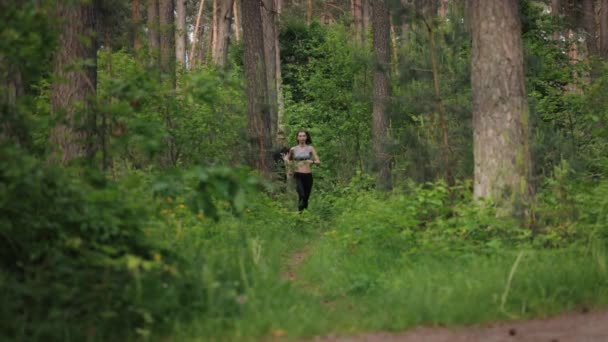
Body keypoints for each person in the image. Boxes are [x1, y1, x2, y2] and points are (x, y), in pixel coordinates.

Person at [283, 130, 320, 212]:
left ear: (306, 137)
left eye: (304, 136)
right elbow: (290, 161)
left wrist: (312, 162)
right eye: (300, 136)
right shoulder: (293, 149)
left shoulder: (310, 148)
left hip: (308, 176)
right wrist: (287, 162)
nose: (302, 138)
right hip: (298, 175)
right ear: (297, 138)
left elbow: (318, 162)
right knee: (302, 195)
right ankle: (300, 214)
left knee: (306, 198)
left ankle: (303, 214)